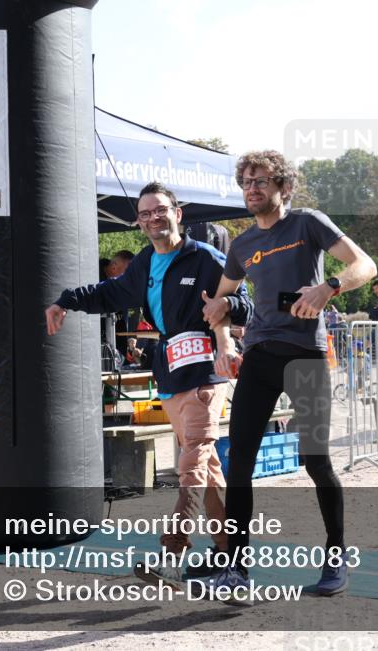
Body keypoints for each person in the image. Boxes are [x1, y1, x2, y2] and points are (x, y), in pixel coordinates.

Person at [45, 182, 252, 590]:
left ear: (178, 213)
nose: (153, 218)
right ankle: (231, 555)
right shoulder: (143, 264)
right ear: (139, 222)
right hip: (171, 376)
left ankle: (173, 553)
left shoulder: (207, 259)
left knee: (192, 459)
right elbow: (109, 293)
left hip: (207, 374)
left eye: (160, 210)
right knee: (207, 470)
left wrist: (226, 306)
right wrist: (65, 300)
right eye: (145, 214)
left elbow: (245, 302)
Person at [202, 150, 376, 599]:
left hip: (305, 355)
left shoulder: (307, 223)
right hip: (259, 356)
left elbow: (364, 266)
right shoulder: (240, 247)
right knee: (239, 462)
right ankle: (236, 571)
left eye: (261, 181)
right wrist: (224, 342)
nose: (252, 188)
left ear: (283, 186)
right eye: (246, 182)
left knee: (316, 461)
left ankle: (335, 558)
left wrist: (328, 287)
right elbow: (219, 304)